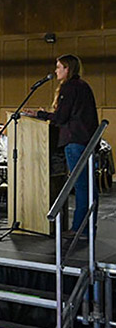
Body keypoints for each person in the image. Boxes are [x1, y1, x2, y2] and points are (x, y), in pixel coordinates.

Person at [32, 54, 99, 237]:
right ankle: (88, 226)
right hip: (87, 141)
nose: (56, 71)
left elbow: (61, 117)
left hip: (75, 141)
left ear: (67, 69)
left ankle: (80, 229)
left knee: (81, 187)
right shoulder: (83, 86)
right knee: (89, 187)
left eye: (59, 67)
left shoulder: (69, 88)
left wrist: (41, 114)